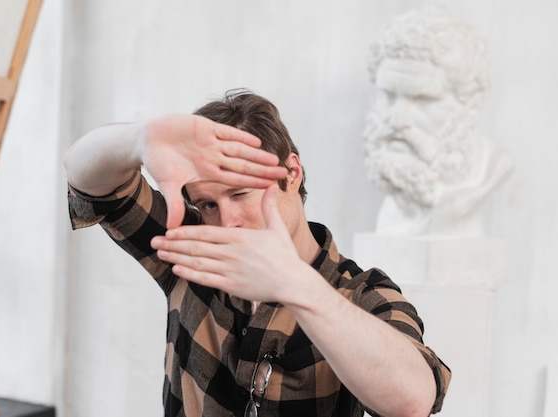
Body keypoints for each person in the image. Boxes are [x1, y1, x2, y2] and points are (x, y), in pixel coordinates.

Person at [65, 90, 450, 417]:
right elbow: (86, 180)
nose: (227, 222)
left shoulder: (360, 292)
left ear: (291, 173)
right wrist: (138, 139)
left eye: (239, 193)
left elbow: (413, 399)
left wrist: (296, 285)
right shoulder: (192, 249)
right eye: (208, 204)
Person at [364, 6, 513, 237]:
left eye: (422, 98)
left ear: (468, 106)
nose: (396, 120)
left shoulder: (492, 169)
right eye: (388, 95)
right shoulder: (392, 200)